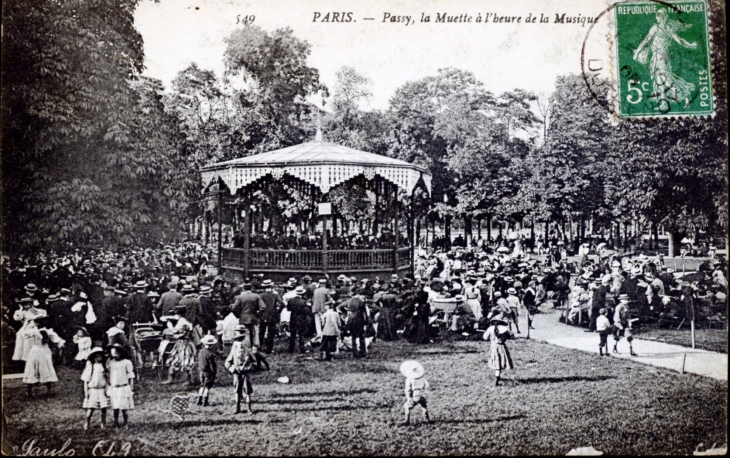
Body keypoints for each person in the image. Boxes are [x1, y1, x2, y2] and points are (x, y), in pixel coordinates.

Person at [22, 312, 65, 397]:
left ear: (37, 323)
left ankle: (29, 391)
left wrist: (25, 324)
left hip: (35, 351)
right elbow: (58, 340)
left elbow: (23, 334)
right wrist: (60, 346)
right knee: (46, 368)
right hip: (44, 351)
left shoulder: (34, 331)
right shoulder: (48, 331)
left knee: (31, 369)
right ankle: (48, 391)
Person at [161, 305, 197, 385]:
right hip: (181, 343)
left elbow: (175, 331)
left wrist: (169, 325)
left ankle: (188, 380)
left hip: (183, 343)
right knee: (175, 359)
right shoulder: (183, 321)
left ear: (178, 314)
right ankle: (170, 378)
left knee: (185, 361)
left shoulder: (182, 322)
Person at [225, 328, 255, 415]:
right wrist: (232, 368)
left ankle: (249, 408)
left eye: (241, 341)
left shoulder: (248, 352)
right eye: (237, 342)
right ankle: (237, 408)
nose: (240, 344)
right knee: (237, 391)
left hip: (245, 373)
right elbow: (227, 362)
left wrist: (248, 367)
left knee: (247, 390)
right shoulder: (233, 352)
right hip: (237, 373)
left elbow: (254, 362)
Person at [81, 347, 110, 430]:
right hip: (93, 390)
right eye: (96, 356)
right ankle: (87, 421)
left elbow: (107, 379)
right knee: (91, 408)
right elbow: (86, 380)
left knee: (103, 408)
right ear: (93, 358)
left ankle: (103, 423)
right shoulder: (91, 367)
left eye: (100, 356)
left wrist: (106, 388)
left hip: (102, 390)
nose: (98, 358)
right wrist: (86, 391)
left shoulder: (104, 366)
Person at [107, 343, 135, 429]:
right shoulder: (110, 363)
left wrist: (131, 386)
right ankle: (116, 423)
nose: (115, 355)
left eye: (117, 353)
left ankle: (125, 423)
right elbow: (109, 374)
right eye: (113, 353)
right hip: (114, 387)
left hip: (123, 387)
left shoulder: (126, 362)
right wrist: (109, 385)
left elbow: (130, 375)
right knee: (115, 408)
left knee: (124, 407)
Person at [483, 313, 514, 386]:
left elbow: (485, 337)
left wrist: (491, 339)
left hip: (493, 346)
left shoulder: (490, 329)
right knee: (501, 359)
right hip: (501, 346)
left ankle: (497, 376)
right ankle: (497, 377)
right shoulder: (504, 329)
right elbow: (511, 336)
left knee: (496, 360)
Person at [231, 282, 265, 348]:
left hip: (243, 318)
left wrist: (238, 315)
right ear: (251, 288)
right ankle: (252, 347)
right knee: (253, 334)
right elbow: (263, 307)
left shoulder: (240, 297)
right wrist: (257, 315)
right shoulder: (256, 296)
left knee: (243, 333)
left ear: (243, 289)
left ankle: (245, 347)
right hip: (253, 317)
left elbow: (234, 308)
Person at [399, 360, 430, 426]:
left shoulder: (410, 378)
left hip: (415, 395)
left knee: (407, 406)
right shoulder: (422, 377)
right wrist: (425, 392)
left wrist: (409, 397)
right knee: (424, 406)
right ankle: (427, 419)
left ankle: (407, 420)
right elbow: (427, 385)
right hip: (422, 393)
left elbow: (408, 389)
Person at [259, 279, 285, 354]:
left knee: (261, 332)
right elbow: (282, 304)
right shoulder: (275, 295)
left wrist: (259, 313)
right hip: (272, 315)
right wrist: (278, 312)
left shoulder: (261, 295)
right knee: (271, 333)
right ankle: (269, 349)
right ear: (271, 286)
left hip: (263, 316)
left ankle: (260, 347)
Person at [286, 286, 311, 354]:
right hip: (301, 318)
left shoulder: (290, 300)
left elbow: (288, 309)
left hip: (293, 317)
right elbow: (306, 311)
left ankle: (291, 349)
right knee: (301, 334)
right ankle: (302, 349)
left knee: (292, 334)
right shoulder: (303, 302)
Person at [196, 334, 218, 407]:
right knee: (207, 387)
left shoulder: (200, 352)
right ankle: (205, 402)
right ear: (211, 345)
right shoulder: (210, 354)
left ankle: (199, 400)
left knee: (202, 386)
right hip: (208, 373)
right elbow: (212, 365)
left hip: (201, 372)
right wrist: (214, 373)